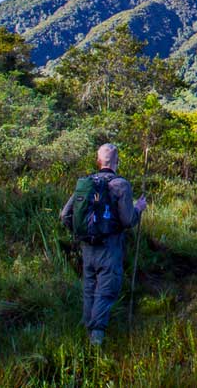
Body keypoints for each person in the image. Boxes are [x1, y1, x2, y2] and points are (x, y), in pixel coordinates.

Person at [60, 143, 147, 346]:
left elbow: (65, 215)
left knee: (90, 288)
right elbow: (128, 221)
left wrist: (79, 233)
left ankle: (84, 335)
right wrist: (139, 208)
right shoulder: (121, 185)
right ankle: (96, 341)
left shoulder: (86, 183)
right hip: (110, 247)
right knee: (106, 290)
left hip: (88, 247)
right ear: (116, 161)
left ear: (98, 160)